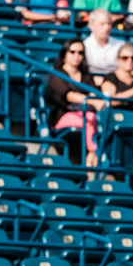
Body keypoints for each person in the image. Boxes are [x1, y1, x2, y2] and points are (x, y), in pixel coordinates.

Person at [46, 37, 103, 168]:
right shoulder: (57, 74)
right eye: (72, 52)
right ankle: (93, 153)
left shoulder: (86, 76)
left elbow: (96, 93)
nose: (76, 56)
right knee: (90, 117)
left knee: (97, 117)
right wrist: (91, 100)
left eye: (80, 52)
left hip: (87, 113)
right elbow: (68, 95)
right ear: (64, 53)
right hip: (64, 114)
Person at [82, 9, 124, 82]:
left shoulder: (121, 45)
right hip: (91, 85)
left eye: (109, 23)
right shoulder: (84, 46)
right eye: (102, 24)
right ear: (91, 26)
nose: (107, 27)